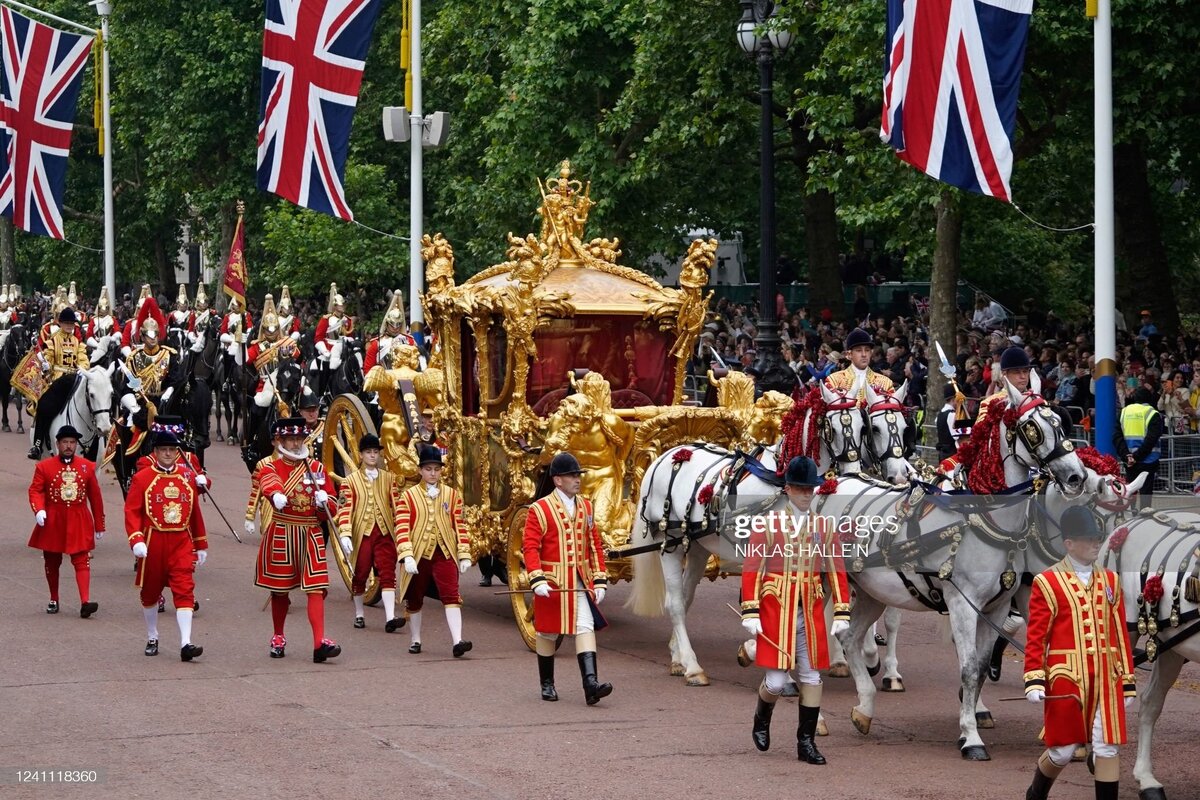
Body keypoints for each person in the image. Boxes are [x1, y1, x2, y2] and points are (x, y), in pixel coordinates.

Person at [740, 456, 850, 764]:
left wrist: (842, 611)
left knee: (812, 678)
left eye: (810, 489)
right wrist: (750, 610)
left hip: (810, 611)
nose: (806, 494)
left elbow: (836, 570)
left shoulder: (824, 527)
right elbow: (752, 568)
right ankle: (761, 717)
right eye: (800, 489)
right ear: (788, 489)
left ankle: (806, 743)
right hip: (778, 610)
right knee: (776, 682)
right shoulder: (768, 524)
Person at [1023, 506, 1136, 800]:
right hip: (1067, 678)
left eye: (1097, 538)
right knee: (1062, 751)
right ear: (1069, 544)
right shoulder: (1047, 582)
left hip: (1107, 677)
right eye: (1088, 539)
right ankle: (1036, 792)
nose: (1095, 544)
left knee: (1106, 746)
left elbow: (1120, 633)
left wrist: (1127, 679)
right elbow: (1037, 636)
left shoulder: (1111, 580)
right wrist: (1034, 678)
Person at [522, 452, 612, 705]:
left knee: (585, 626)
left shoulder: (586, 506)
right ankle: (547, 683)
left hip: (580, 581)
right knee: (548, 633)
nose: (577, 479)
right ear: (557, 480)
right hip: (553, 582)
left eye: (578, 475)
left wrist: (599, 579)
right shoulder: (540, 509)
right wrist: (537, 579)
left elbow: (594, 545)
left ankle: (590, 685)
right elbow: (530, 547)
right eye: (572, 475)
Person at [253, 417, 341, 663]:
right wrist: (275, 495)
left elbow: (332, 506)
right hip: (283, 529)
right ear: (280, 441)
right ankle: (278, 635)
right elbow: (268, 482)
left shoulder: (317, 469)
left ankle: (318, 643)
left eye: (299, 439)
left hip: (311, 532)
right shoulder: (271, 467)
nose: (295, 444)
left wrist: (325, 503)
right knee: (280, 590)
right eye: (290, 439)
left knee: (316, 587)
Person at [125, 430, 207, 661]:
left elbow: (194, 512)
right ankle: (152, 636)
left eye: (172, 450)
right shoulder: (142, 478)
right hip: (153, 541)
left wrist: (200, 543)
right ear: (156, 452)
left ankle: (186, 643)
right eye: (164, 450)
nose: (168, 454)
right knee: (150, 592)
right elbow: (132, 511)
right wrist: (136, 539)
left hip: (181, 541)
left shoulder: (187, 477)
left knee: (185, 589)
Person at [395, 444, 472, 657]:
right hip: (419, 554)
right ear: (420, 470)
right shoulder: (408, 496)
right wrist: (407, 554)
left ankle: (457, 641)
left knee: (452, 595)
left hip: (444, 553)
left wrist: (464, 553)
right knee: (415, 597)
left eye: (436, 469)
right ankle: (416, 639)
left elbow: (460, 525)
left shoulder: (452, 495)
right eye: (428, 469)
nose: (433, 473)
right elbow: (402, 527)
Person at [27, 425, 105, 617]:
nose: (69, 446)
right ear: (58, 444)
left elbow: (95, 497)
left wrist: (99, 524)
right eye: (65, 442)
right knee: (52, 561)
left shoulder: (87, 466)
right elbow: (35, 490)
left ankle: (85, 602)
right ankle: (54, 599)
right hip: (54, 518)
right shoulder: (44, 467)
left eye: (72, 442)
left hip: (79, 518)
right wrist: (39, 510)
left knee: (82, 560)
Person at [335, 434, 405, 632]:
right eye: (368, 452)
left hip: (384, 532)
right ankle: (359, 613)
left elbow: (397, 506)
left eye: (375, 452)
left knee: (387, 572)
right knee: (361, 573)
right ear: (361, 455)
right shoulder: (350, 481)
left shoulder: (389, 479)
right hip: (363, 533)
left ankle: (390, 617)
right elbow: (345, 508)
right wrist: (346, 533)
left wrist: (401, 532)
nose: (373, 456)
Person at [1113, 387, 1162, 506]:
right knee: (1146, 494)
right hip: (1148, 460)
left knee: (1130, 491)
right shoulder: (1152, 413)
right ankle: (1144, 519)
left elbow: (1117, 437)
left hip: (1129, 461)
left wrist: (1126, 456)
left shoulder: (1124, 411)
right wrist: (1137, 456)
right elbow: (1151, 439)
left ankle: (1130, 515)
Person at [823, 328, 892, 403]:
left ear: (871, 353)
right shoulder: (834, 380)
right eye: (858, 350)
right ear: (849, 355)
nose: (864, 354)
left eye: (867, 350)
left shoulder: (885, 382)